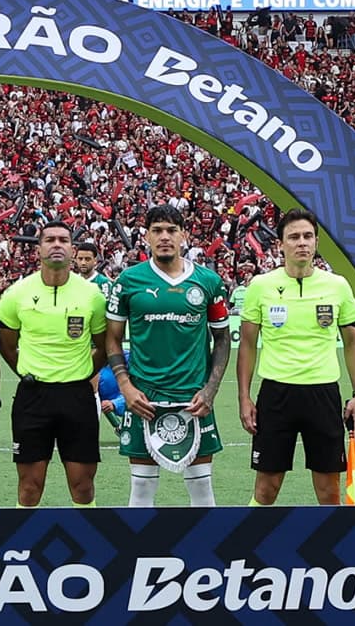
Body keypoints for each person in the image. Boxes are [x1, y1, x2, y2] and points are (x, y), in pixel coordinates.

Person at [237, 209, 355, 506]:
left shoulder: (337, 286)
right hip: (276, 394)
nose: (302, 243)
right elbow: (246, 345)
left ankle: (331, 551)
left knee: (329, 492)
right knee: (266, 489)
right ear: (281, 244)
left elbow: (352, 343)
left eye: (308, 236)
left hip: (323, 395)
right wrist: (244, 397)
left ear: (316, 242)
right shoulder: (260, 286)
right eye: (293, 237)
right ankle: (247, 547)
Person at [105, 205, 231, 507]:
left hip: (193, 399)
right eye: (157, 230)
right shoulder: (128, 281)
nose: (164, 237)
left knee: (202, 490)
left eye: (171, 230)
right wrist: (126, 387)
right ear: (146, 236)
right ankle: (136, 552)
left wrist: (210, 390)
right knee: (141, 490)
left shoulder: (208, 281)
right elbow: (111, 339)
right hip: (144, 398)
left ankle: (205, 554)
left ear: (183, 235)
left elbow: (223, 338)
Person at [0, 220, 107, 508]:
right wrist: (27, 371)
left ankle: (87, 546)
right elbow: (7, 345)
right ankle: (25, 546)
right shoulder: (17, 294)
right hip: (34, 397)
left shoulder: (92, 296)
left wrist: (83, 372)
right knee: (30, 486)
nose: (57, 244)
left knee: (83, 485)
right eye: (50, 240)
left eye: (63, 240)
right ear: (39, 249)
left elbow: (105, 345)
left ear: (72, 250)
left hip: (77, 395)